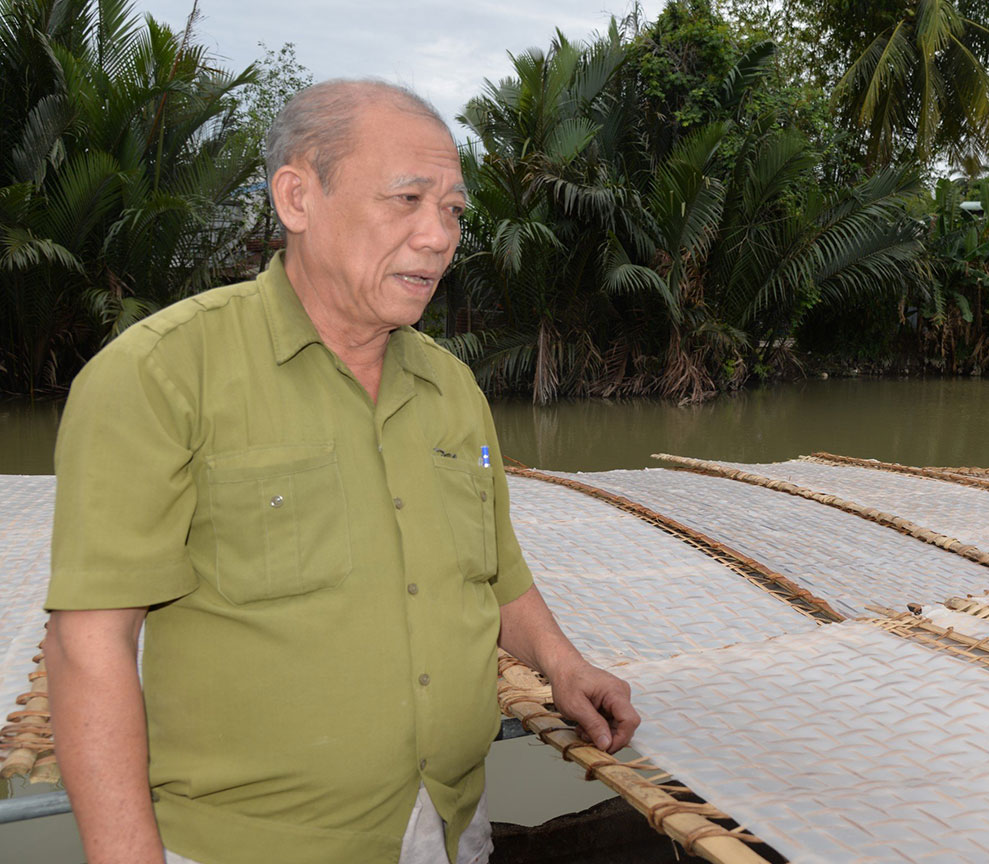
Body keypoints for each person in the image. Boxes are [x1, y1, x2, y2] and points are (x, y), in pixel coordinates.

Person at [44, 79, 639, 864]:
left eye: (454, 210)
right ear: (297, 197)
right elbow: (90, 645)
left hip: (450, 828)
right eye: (407, 199)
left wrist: (564, 666)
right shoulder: (159, 376)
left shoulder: (452, 389)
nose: (438, 236)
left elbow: (494, 575)